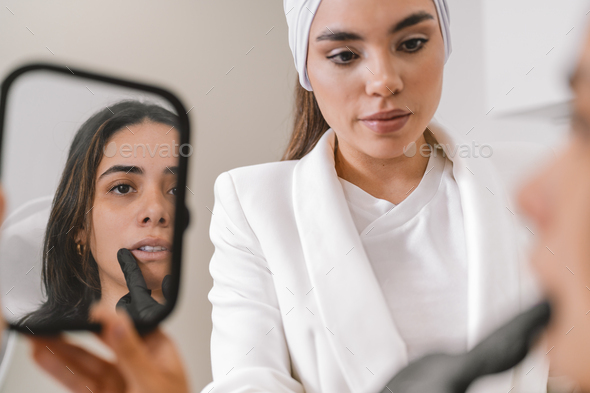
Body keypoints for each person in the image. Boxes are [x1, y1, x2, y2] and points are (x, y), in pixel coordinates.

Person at [203, 0, 548, 391]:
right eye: (345, 55)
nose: (383, 80)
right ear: (307, 68)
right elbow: (246, 382)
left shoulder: (537, 181)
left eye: (413, 43)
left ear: (445, 43)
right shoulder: (253, 206)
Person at [15, 100, 179, 327]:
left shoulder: (237, 336)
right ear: (80, 227)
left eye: (177, 190)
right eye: (122, 188)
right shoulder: (26, 346)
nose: (156, 211)